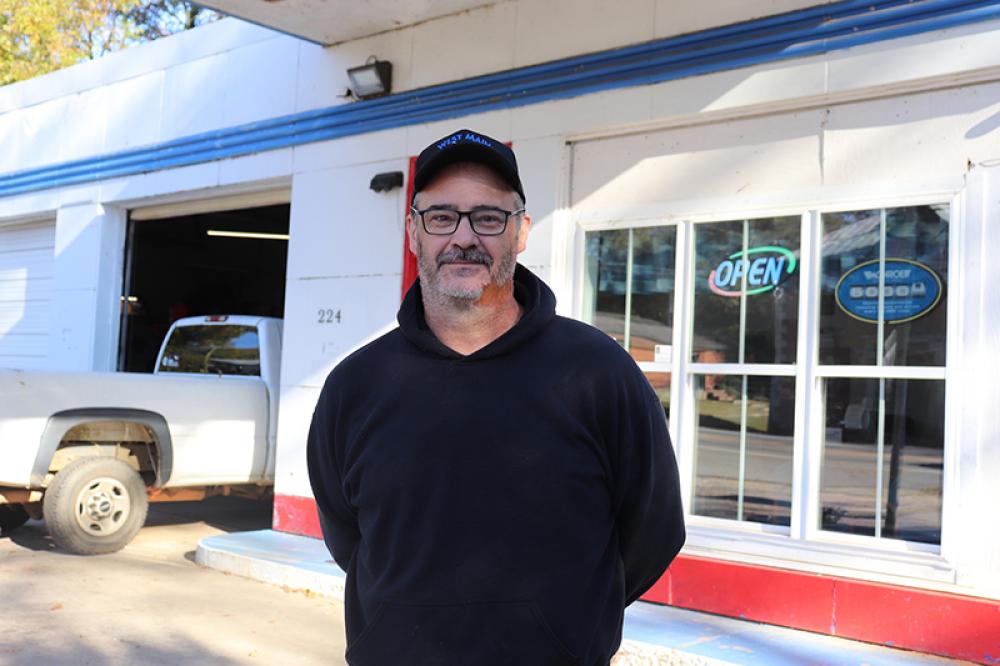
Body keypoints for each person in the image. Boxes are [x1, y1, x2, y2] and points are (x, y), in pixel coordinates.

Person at [307, 129, 685, 666]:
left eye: (488, 217)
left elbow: (654, 530)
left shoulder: (598, 372)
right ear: (413, 231)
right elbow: (348, 536)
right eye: (441, 217)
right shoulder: (355, 385)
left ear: (521, 231)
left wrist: (566, 628)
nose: (463, 237)